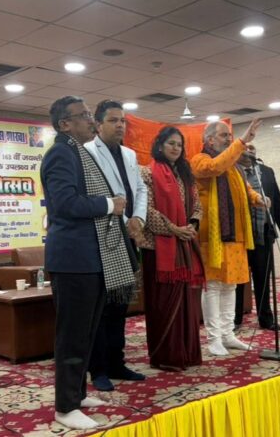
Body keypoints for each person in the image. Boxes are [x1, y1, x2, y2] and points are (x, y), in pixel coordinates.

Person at [40, 96, 137, 430]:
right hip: (73, 259)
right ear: (65, 124)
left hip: (91, 258)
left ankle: (77, 394)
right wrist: (109, 204)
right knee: (72, 335)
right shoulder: (60, 153)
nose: (90, 121)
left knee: (87, 333)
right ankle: (65, 407)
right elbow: (65, 203)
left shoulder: (78, 151)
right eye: (82, 116)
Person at [83, 100, 147, 391]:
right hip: (102, 235)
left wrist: (138, 218)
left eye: (122, 120)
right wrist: (123, 220)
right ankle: (97, 369)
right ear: (98, 124)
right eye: (113, 120)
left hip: (128, 234)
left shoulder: (129, 153)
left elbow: (140, 189)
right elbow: (93, 195)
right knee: (101, 306)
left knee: (120, 303)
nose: (120, 125)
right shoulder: (87, 152)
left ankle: (116, 363)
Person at [191, 119, 265, 356]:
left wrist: (257, 198)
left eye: (230, 136)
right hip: (212, 235)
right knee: (213, 286)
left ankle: (228, 334)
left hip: (236, 234)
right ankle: (214, 338)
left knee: (230, 285)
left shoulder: (233, 165)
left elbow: (243, 188)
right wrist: (242, 142)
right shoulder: (200, 160)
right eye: (224, 135)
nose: (228, 139)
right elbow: (215, 167)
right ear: (209, 139)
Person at [139, 126, 205, 371]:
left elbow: (197, 205)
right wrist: (175, 229)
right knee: (163, 304)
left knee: (186, 304)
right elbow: (146, 210)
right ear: (160, 145)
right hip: (157, 249)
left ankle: (186, 352)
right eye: (171, 143)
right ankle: (165, 355)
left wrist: (191, 225)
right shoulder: (147, 172)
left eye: (179, 144)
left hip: (184, 246)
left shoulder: (186, 175)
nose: (176, 148)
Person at [234, 144, 280, 331]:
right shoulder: (231, 172)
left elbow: (277, 201)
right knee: (238, 279)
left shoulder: (266, 172)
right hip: (239, 236)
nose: (248, 151)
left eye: (252, 149)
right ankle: (235, 319)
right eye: (245, 149)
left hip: (263, 233)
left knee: (263, 277)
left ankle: (265, 318)